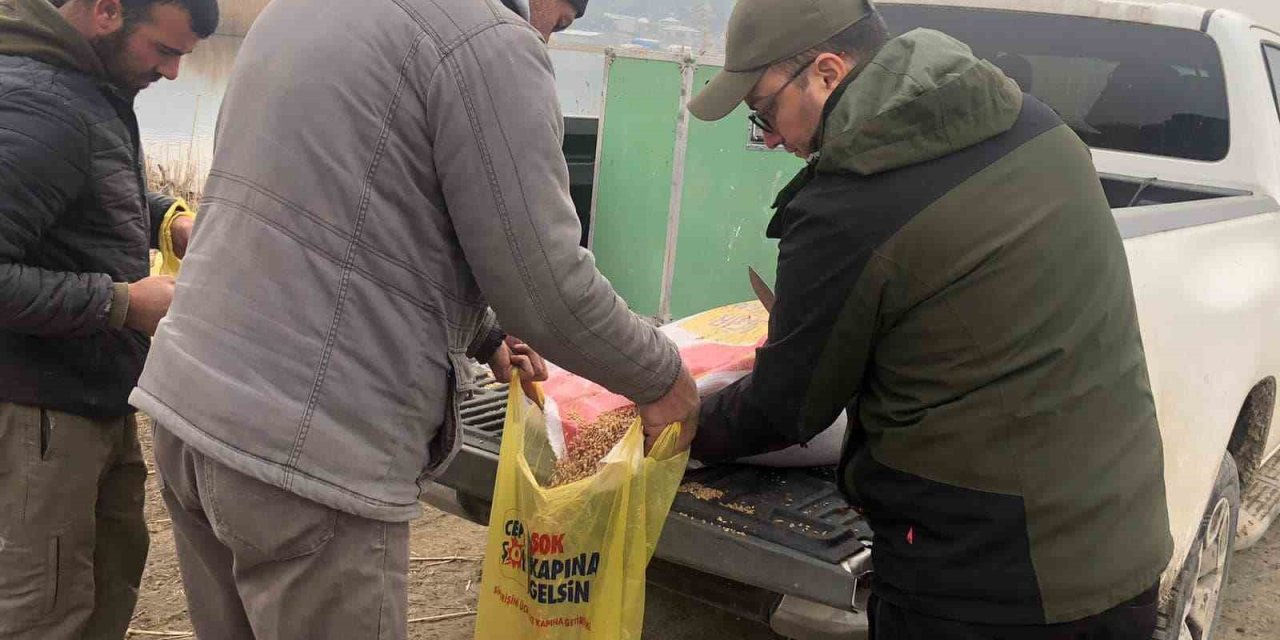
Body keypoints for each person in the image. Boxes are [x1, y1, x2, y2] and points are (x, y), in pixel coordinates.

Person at [128, 0, 699, 637]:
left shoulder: (298, 10)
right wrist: (664, 380)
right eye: (557, 24)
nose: (544, 40)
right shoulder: (487, 43)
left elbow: (342, 215)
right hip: (307, 453)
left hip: (188, 411)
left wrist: (482, 335)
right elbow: (547, 289)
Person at [688, 1, 1172, 638]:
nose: (771, 137)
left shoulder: (847, 206)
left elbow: (786, 409)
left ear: (828, 73)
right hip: (1124, 542)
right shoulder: (1038, 125)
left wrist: (680, 421)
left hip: (982, 582)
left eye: (764, 111)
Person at [0, 0, 216, 638]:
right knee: (42, 613)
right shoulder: (44, 103)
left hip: (88, 395)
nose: (173, 73)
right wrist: (122, 303)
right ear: (106, 11)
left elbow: (78, 185)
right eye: (164, 50)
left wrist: (164, 218)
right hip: (40, 411)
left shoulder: (81, 87)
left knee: (105, 583)